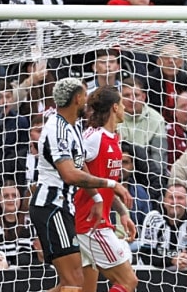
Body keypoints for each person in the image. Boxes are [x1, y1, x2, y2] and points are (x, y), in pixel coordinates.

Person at [28, 77, 132, 292]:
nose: (88, 100)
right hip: (52, 206)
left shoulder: (73, 127)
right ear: (77, 98)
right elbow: (69, 174)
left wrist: (97, 197)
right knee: (76, 282)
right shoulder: (58, 129)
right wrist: (111, 185)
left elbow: (80, 164)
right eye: (85, 95)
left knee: (75, 284)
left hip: (67, 208)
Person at [75, 85, 138, 292]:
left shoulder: (114, 138)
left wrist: (122, 213)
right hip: (90, 223)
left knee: (84, 289)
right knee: (129, 282)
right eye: (122, 103)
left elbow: (106, 184)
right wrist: (97, 198)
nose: (125, 107)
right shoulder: (94, 136)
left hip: (98, 221)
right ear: (114, 107)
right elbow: (74, 163)